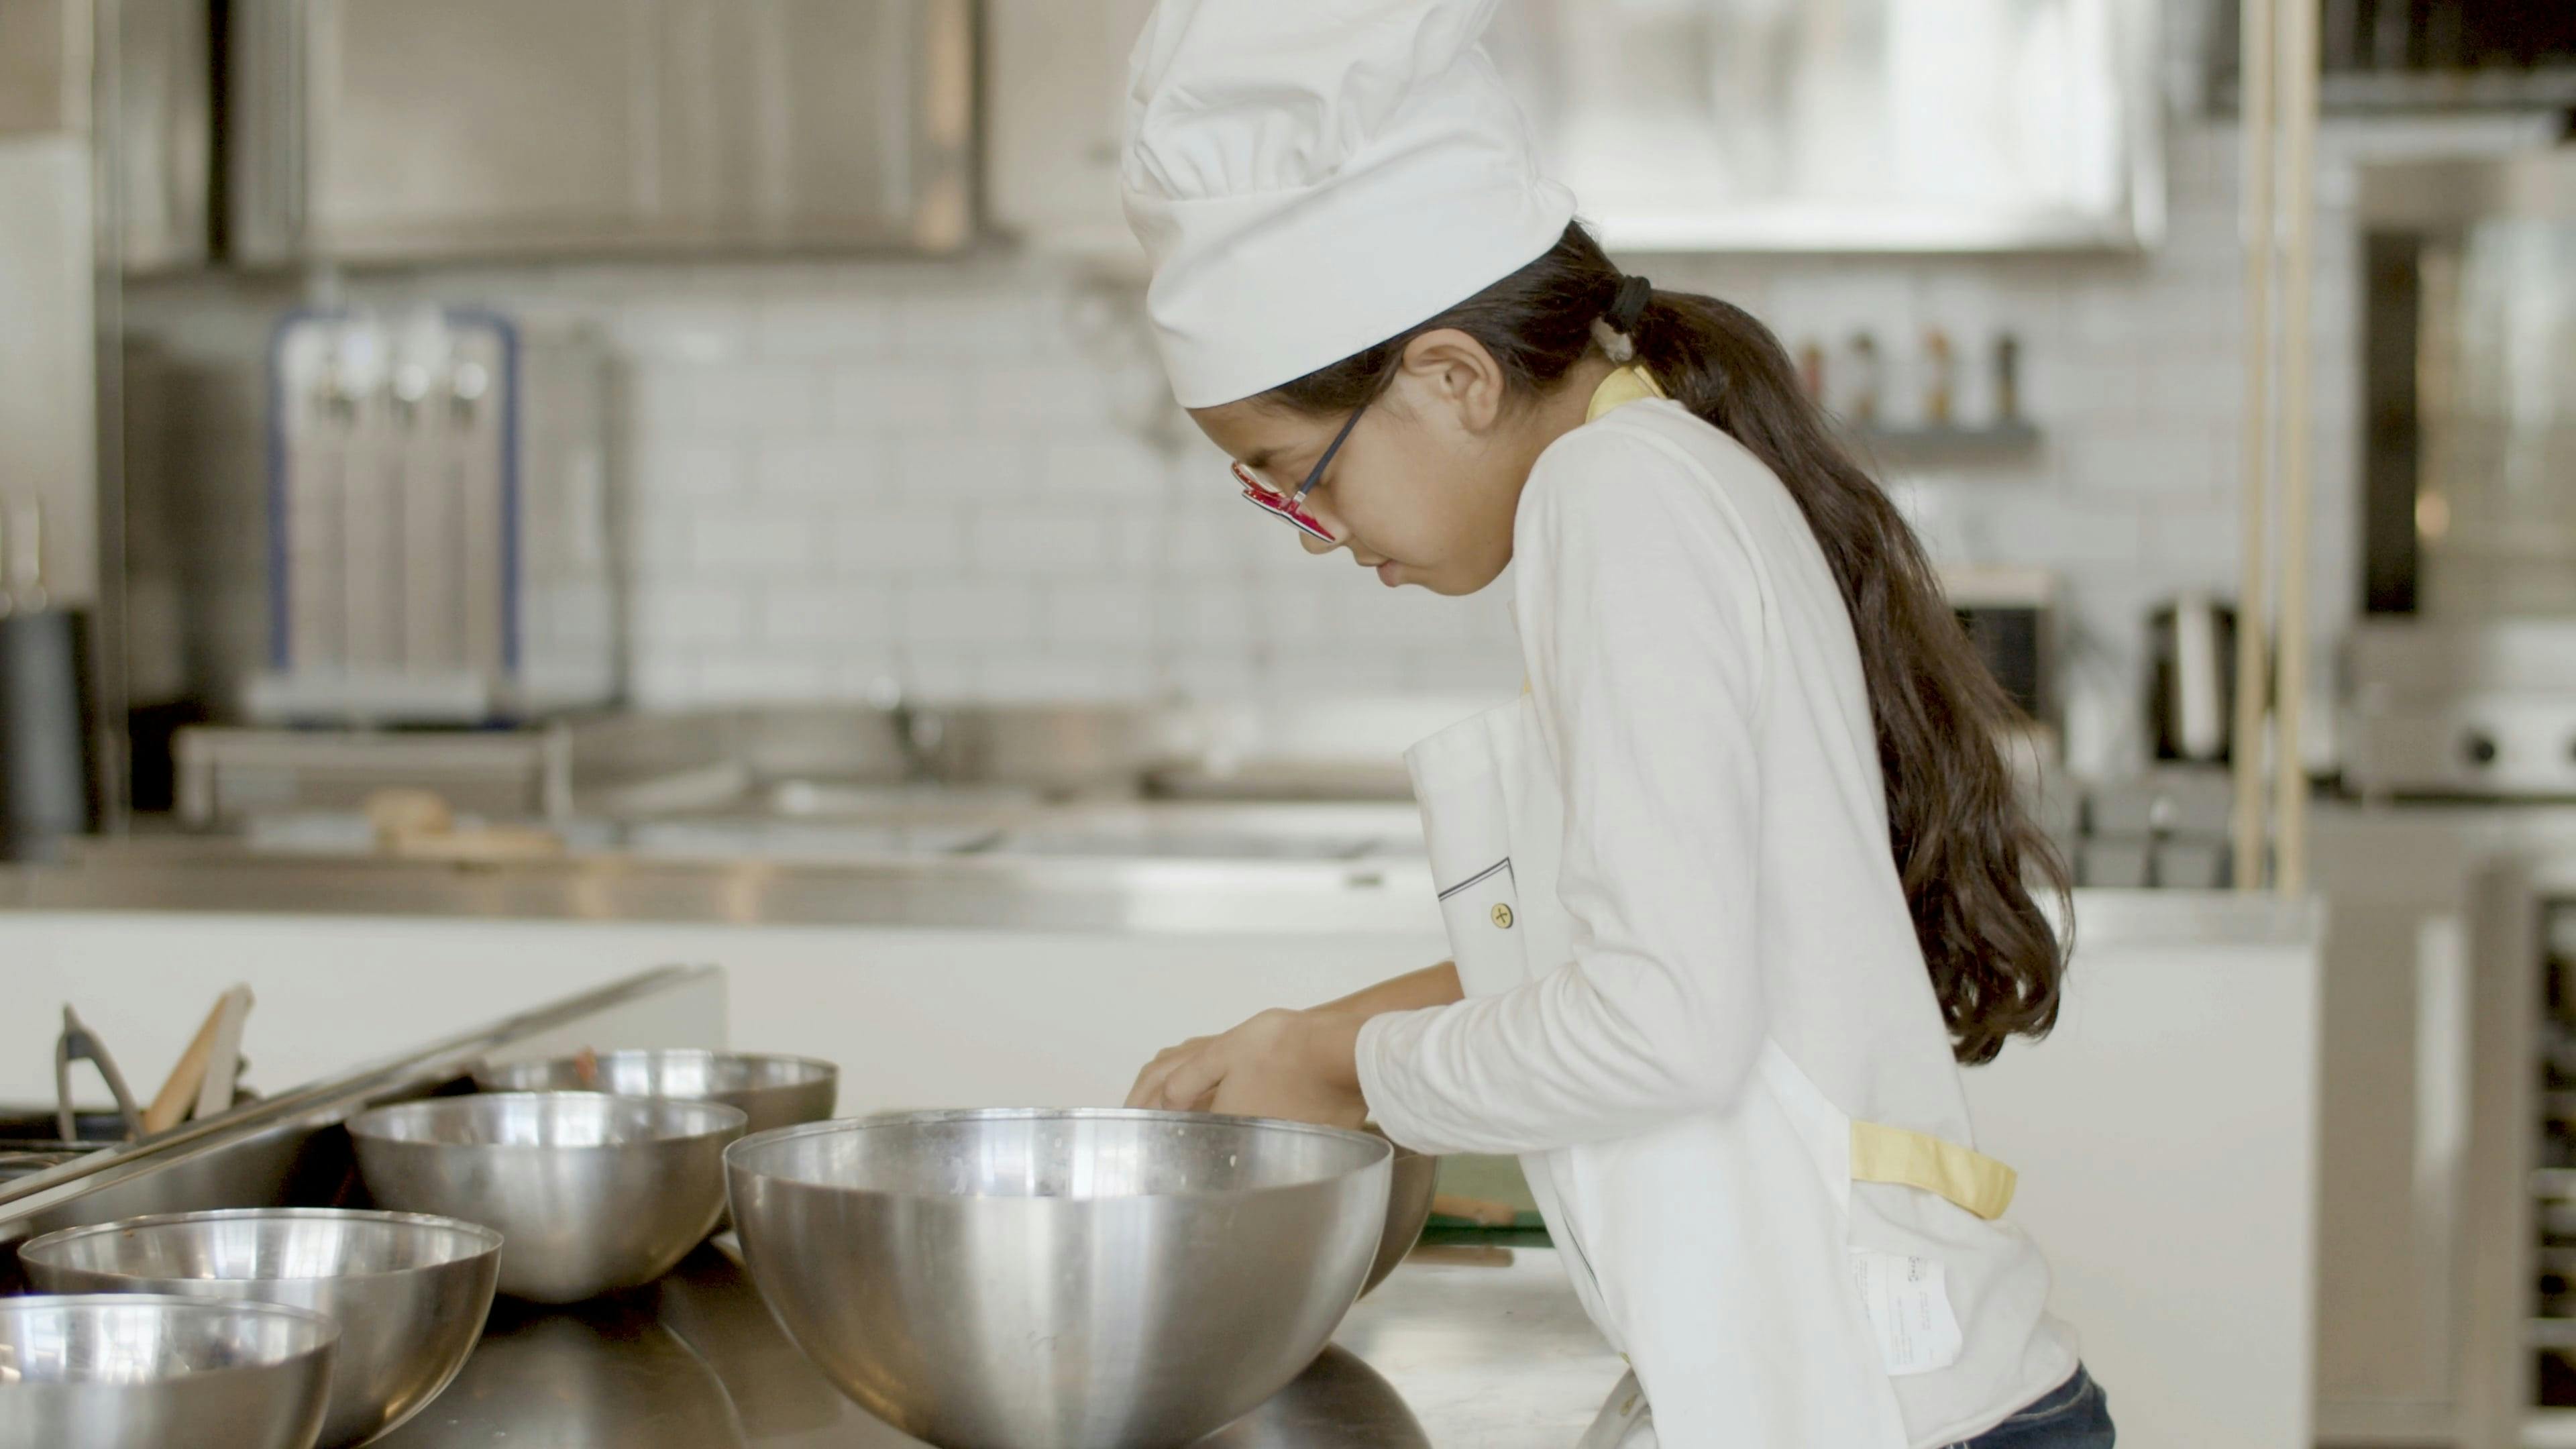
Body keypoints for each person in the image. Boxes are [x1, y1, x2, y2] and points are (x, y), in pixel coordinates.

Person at [1114, 3, 2112, 1446]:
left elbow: (1663, 1028)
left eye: (1299, 474)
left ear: (1452, 376)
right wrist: (1311, 1032)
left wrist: (1345, 1071)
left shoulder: (1614, 500)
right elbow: (1656, 953)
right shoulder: (1651, 473)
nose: (1315, 533)